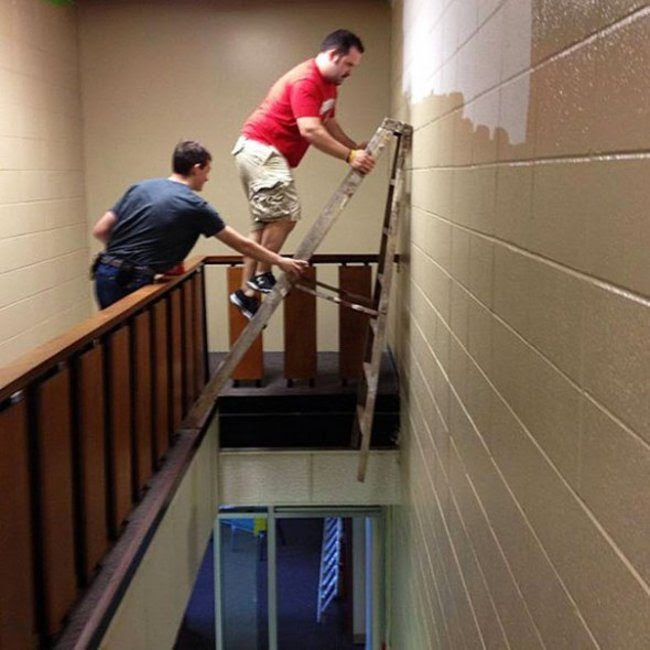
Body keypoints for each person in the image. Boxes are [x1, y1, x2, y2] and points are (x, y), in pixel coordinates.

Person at [230, 28, 376, 318]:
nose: (350, 72)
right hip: (261, 148)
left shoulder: (330, 85)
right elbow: (310, 130)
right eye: (348, 64)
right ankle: (262, 274)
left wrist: (353, 147)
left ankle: (246, 293)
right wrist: (349, 157)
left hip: (257, 150)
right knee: (286, 214)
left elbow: (328, 123)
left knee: (264, 224)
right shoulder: (306, 80)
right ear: (333, 55)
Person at [92, 140, 307, 310]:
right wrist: (279, 261)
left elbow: (101, 230)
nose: (207, 178)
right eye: (207, 171)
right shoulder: (194, 206)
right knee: (136, 343)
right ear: (196, 168)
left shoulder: (140, 188)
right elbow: (242, 245)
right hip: (135, 280)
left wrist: (122, 258)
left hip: (104, 271)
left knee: (113, 341)